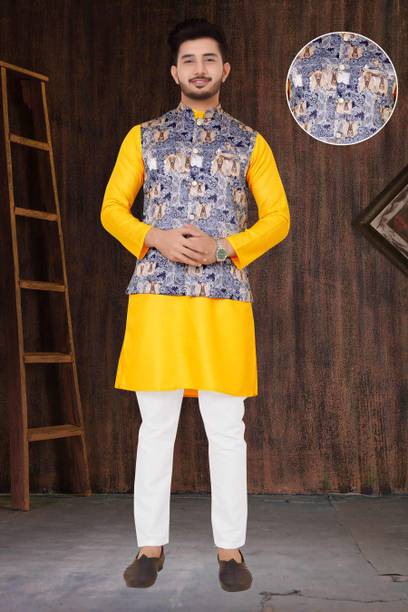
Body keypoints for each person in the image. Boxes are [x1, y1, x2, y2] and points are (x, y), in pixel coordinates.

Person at [100, 17, 290, 591]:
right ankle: (149, 548)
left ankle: (230, 551)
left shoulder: (251, 142)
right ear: (174, 71)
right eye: (189, 60)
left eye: (209, 59)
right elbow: (112, 209)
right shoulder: (143, 137)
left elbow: (278, 218)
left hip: (223, 298)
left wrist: (226, 247)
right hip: (157, 296)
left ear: (224, 70)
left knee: (226, 427)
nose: (199, 69)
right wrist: (155, 237)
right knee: (155, 425)